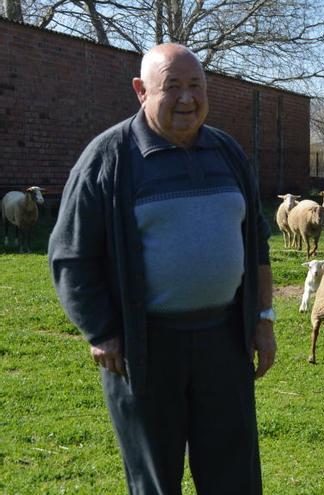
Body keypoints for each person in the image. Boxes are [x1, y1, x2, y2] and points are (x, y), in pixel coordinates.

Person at [48, 43, 277, 494]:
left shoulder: (227, 152)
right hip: (144, 348)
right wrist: (101, 331)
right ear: (140, 90)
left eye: (196, 86)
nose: (187, 98)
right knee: (155, 479)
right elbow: (70, 254)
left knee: (235, 474)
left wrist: (263, 320)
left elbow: (257, 247)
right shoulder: (108, 158)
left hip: (224, 340)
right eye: (171, 86)